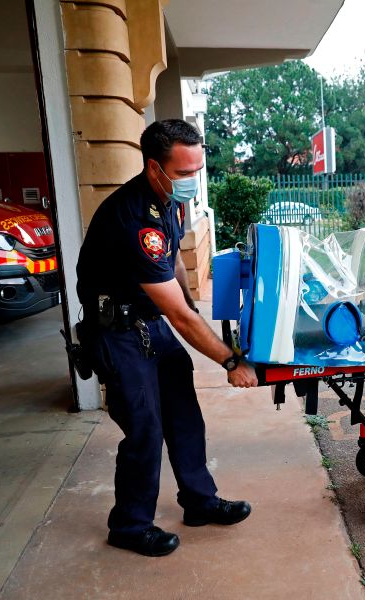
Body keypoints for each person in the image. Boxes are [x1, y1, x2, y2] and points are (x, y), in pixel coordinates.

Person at [76, 119, 258, 557]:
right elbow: (176, 313)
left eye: (198, 170)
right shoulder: (134, 216)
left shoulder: (168, 204)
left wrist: (192, 306)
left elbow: (173, 262)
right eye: (183, 173)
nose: (192, 181)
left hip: (150, 323)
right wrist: (232, 361)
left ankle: (198, 501)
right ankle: (129, 525)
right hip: (117, 333)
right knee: (144, 429)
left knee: (184, 417)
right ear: (154, 168)